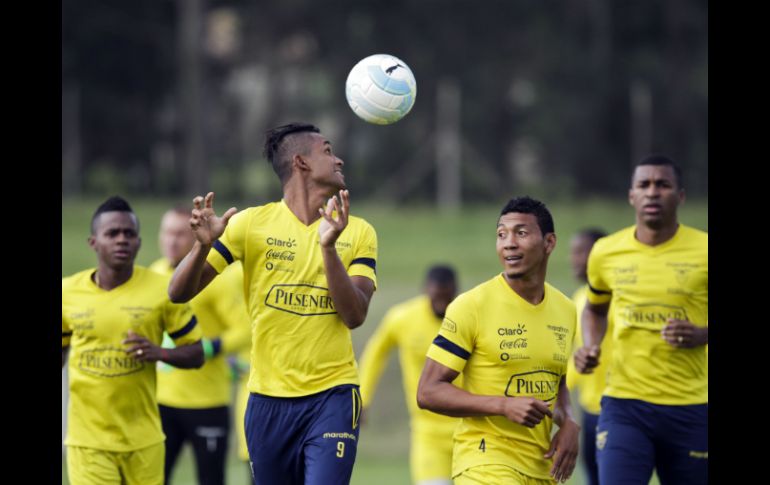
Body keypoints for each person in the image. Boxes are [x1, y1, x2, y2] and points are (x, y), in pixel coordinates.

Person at [168, 122, 378, 485]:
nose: (339, 158)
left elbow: (355, 315)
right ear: (301, 162)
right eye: (328, 151)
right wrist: (201, 246)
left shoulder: (357, 231)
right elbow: (178, 293)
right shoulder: (249, 225)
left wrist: (328, 248)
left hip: (333, 395)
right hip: (268, 401)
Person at [417, 196, 579, 485]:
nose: (509, 243)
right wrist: (503, 405)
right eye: (501, 234)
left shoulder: (565, 310)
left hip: (542, 468)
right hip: (485, 461)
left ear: (549, 243)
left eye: (521, 233)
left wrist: (568, 422)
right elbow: (428, 391)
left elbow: (558, 383)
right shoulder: (471, 306)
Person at [573, 154, 708, 484]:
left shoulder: (704, 249)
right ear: (632, 195)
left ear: (680, 196)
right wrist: (590, 345)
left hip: (690, 405)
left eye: (663, 185)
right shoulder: (605, 252)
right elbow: (594, 308)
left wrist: (702, 334)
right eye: (644, 185)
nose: (652, 192)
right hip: (625, 405)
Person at [62, 196, 204, 485]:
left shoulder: (163, 290)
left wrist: (159, 353)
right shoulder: (67, 293)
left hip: (145, 441)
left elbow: (196, 353)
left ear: (139, 242)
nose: (121, 240)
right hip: (88, 442)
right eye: (112, 233)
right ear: (93, 242)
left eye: (129, 233)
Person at [149, 207, 251, 485]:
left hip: (207, 402)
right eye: (167, 232)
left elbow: (246, 330)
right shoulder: (154, 274)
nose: (172, 240)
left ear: (196, 237)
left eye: (181, 234)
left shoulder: (218, 279)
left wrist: (205, 349)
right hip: (161, 402)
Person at [359, 265, 460, 485]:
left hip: (469, 430)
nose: (441, 303)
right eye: (436, 297)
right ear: (425, 290)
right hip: (428, 433)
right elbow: (376, 353)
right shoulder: (403, 318)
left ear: (456, 292)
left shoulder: (467, 319)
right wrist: (363, 398)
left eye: (447, 298)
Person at [564, 228, 608, 485]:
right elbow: (575, 357)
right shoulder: (580, 299)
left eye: (582, 252)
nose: (575, 259)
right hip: (589, 410)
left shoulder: (621, 298)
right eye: (573, 253)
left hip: (620, 407)